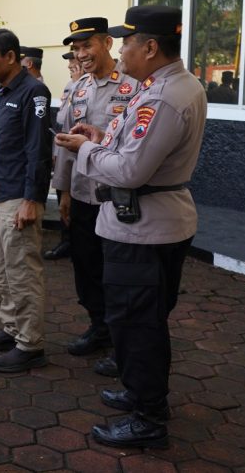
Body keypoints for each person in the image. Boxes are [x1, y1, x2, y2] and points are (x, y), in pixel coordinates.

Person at [56, 5, 207, 449]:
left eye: (127, 41)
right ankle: (140, 393)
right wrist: (102, 138)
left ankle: (148, 419)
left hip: (142, 228)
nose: (121, 49)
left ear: (151, 47)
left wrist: (85, 149)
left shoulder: (163, 95)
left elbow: (130, 172)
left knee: (137, 324)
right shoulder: (165, 86)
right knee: (140, 321)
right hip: (148, 222)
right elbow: (135, 150)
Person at [51, 18, 137, 360]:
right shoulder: (78, 89)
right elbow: (65, 145)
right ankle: (98, 327)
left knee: (118, 272)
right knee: (86, 267)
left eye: (87, 46)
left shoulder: (134, 86)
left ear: (107, 44)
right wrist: (64, 192)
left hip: (117, 195)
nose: (81, 54)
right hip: (84, 193)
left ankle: (123, 341)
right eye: (76, 48)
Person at [0, 29, 53, 372]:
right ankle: (12, 328)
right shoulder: (4, 90)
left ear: (10, 57)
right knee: (5, 271)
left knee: (22, 273)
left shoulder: (33, 92)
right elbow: (6, 148)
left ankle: (30, 343)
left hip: (20, 198)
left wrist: (32, 199)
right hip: (3, 192)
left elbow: (37, 150)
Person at [43, 51, 83, 260]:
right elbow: (62, 120)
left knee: (75, 205)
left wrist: (78, 82)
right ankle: (67, 240)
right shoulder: (71, 84)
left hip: (79, 154)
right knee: (63, 199)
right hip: (63, 149)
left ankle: (74, 242)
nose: (70, 65)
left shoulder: (80, 84)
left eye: (73, 61)